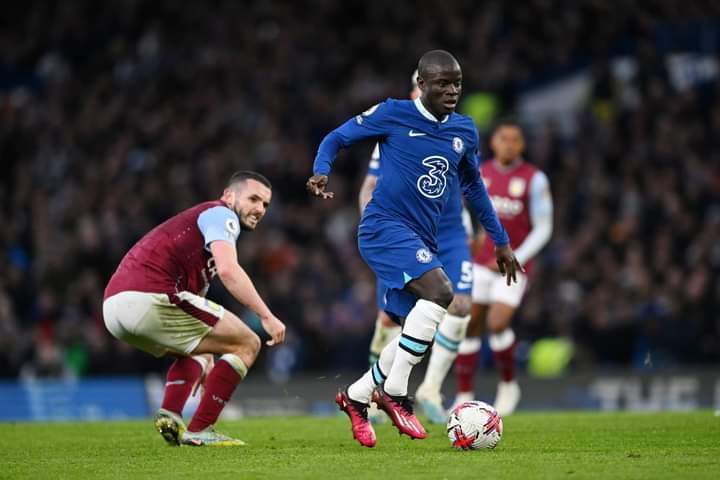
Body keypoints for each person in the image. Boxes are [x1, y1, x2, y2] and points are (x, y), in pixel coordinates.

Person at [307, 50, 521, 448]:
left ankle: (355, 397)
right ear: (421, 85)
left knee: (414, 327)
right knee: (442, 292)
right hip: (383, 227)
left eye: (457, 82)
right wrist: (322, 168)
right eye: (442, 82)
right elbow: (337, 137)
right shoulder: (393, 113)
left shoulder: (465, 130)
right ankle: (397, 394)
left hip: (425, 238)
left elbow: (474, 188)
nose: (452, 90)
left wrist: (501, 241)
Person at [103, 171, 286, 446]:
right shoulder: (221, 214)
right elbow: (229, 270)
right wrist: (266, 316)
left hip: (114, 309)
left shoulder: (199, 236)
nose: (260, 209)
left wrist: (208, 354)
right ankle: (201, 429)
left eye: (266, 204)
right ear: (229, 195)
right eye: (254, 199)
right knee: (248, 343)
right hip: (149, 295)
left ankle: (171, 415)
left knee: (200, 353)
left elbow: (196, 297)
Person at [358, 71, 474, 425]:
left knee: (460, 306)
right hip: (404, 234)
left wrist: (475, 227)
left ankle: (430, 390)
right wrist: (380, 232)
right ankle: (373, 392)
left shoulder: (458, 131)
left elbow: (469, 183)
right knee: (393, 319)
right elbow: (370, 186)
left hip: (451, 235)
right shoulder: (393, 133)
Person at [453, 121, 553, 416]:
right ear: (493, 143)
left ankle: (509, 386)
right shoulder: (479, 173)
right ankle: (463, 394)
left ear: (522, 145)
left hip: (512, 267)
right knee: (469, 324)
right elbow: (460, 209)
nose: (509, 144)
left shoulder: (535, 179)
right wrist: (469, 237)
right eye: (503, 138)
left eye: (515, 139)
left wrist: (516, 257)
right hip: (480, 263)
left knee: (497, 323)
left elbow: (544, 227)